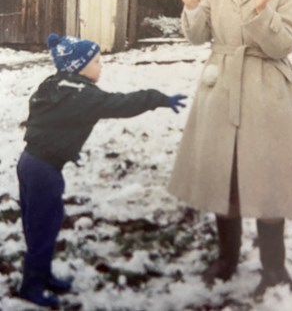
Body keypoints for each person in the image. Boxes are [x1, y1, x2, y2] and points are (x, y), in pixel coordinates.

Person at [168, 0, 292, 297]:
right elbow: (199, 36)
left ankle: (274, 268)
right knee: (224, 175)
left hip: (266, 91)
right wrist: (191, 6)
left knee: (269, 178)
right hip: (222, 87)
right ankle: (227, 259)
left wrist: (262, 11)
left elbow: (281, 46)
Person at [17, 33, 187, 308]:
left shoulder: (55, 85)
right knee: (44, 227)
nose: (101, 66)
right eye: (96, 61)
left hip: (31, 163)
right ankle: (32, 286)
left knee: (40, 224)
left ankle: (42, 274)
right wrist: (157, 98)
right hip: (44, 169)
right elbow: (123, 104)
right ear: (79, 66)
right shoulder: (83, 96)